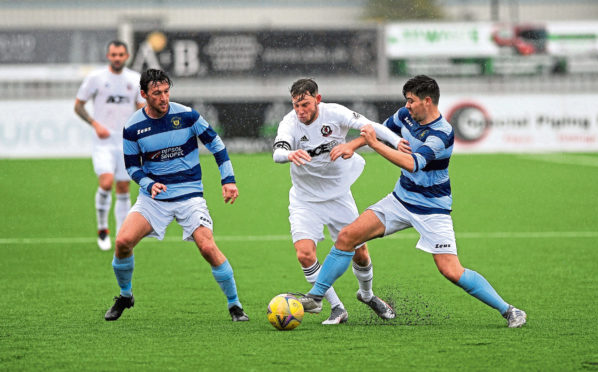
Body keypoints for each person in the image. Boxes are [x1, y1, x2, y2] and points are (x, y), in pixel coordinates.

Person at [298, 75, 527, 328]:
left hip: (432, 209)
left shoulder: (442, 133)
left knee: (451, 270)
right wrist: (353, 144)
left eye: (411, 101)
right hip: (400, 200)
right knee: (347, 237)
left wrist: (374, 145)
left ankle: (510, 310)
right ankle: (316, 297)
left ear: (427, 101)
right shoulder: (404, 116)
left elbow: (413, 163)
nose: (407, 106)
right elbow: (379, 131)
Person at [103, 69, 249, 322]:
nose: (163, 98)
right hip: (153, 199)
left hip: (190, 195)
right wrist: (149, 184)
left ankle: (235, 305)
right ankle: (125, 296)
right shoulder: (133, 127)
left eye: (166, 92)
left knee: (207, 246)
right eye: (157, 93)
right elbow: (132, 167)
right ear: (144, 95)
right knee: (122, 242)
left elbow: (217, 145)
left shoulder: (188, 116)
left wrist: (228, 180)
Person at [273, 78, 403, 324]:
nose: (300, 111)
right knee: (304, 254)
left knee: (360, 254)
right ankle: (335, 307)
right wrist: (290, 153)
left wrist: (396, 141)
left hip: (338, 196)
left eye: (305, 105)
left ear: (317, 99)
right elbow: (277, 153)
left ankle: (367, 295)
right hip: (304, 199)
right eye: (296, 105)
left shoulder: (335, 114)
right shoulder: (289, 123)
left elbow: (371, 128)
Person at [75, 40, 146, 251]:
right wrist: (95, 124)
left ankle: (122, 233)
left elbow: (141, 108)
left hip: (126, 142)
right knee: (106, 182)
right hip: (103, 142)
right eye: (113, 54)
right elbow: (78, 105)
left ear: (127, 56)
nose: (117, 58)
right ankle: (102, 228)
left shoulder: (134, 79)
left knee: (124, 186)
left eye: (120, 54)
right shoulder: (96, 78)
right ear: (108, 56)